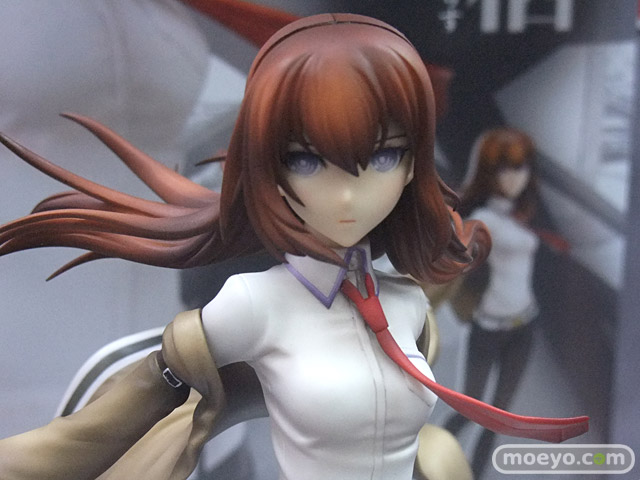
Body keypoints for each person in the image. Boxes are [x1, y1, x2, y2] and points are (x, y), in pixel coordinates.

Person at [0, 15, 586, 480]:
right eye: (306, 160)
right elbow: (86, 437)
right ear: (268, 169)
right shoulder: (253, 305)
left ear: (413, 166)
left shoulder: (409, 306)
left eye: (384, 156)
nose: (348, 194)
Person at [445, 127, 547, 476]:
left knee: (499, 417)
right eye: (506, 169)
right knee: (470, 409)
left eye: (522, 168)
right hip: (488, 328)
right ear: (489, 172)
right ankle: (421, 465)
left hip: (524, 325)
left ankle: (474, 473)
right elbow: (457, 254)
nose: (516, 177)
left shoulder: (520, 214)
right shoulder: (484, 220)